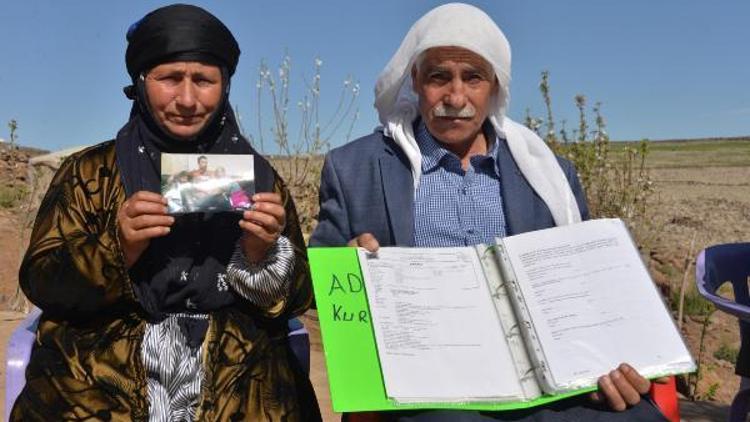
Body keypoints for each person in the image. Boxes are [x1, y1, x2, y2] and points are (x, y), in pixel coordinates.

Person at [310, 3, 667, 421]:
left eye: (473, 78)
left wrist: (612, 365)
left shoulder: (548, 174)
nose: (455, 97)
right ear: (416, 81)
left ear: (495, 86)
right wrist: (350, 268)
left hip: (546, 386)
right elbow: (322, 281)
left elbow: (585, 292)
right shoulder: (357, 168)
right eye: (439, 77)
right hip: (431, 388)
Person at [13, 4, 320, 421]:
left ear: (225, 85)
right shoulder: (90, 173)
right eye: (170, 79)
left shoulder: (259, 177)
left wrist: (259, 255)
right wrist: (116, 248)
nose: (188, 99)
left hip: (239, 388)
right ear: (141, 82)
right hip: (98, 388)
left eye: (204, 81)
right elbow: (41, 280)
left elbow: (300, 297)